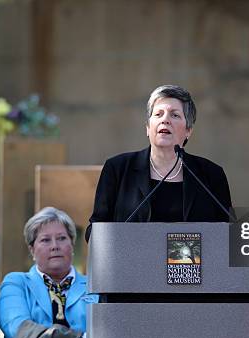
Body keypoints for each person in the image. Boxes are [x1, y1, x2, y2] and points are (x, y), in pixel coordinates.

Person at [85, 84, 233, 241]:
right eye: (158, 114)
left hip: (193, 265)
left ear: (188, 130)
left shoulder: (211, 175)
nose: (165, 120)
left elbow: (229, 233)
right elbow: (95, 230)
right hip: (134, 263)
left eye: (175, 115)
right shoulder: (117, 169)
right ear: (148, 128)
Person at [0, 207, 97, 338]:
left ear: (72, 245)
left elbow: (109, 331)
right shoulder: (16, 283)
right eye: (45, 240)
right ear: (32, 249)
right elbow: (18, 329)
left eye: (62, 238)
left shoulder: (95, 285)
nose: (55, 246)